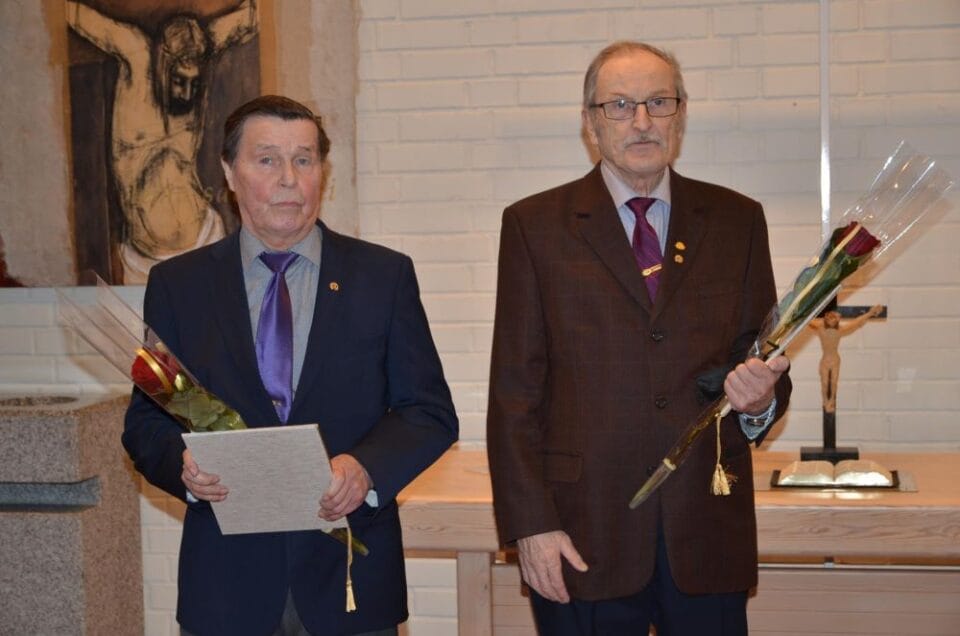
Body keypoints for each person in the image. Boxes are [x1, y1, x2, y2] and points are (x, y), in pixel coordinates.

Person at [486, 41, 792, 635]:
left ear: (681, 114)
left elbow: (760, 360)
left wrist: (759, 401)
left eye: (659, 102)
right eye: (621, 105)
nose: (643, 121)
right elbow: (514, 395)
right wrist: (530, 525)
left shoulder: (737, 220)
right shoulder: (533, 227)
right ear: (591, 122)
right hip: (581, 534)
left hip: (706, 530)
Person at [123, 95, 458, 636]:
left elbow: (428, 412)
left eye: (304, 160)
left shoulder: (384, 277)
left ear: (322, 172)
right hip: (226, 588)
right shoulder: (178, 286)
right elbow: (147, 421)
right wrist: (182, 466)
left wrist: (365, 468)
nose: (288, 178)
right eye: (267, 160)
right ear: (229, 173)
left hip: (350, 583)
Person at [66, 0, 259, 283]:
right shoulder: (135, 54)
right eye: (180, 81)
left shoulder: (205, 46)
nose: (188, 93)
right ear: (161, 63)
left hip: (207, 237)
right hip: (147, 258)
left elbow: (251, 17)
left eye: (195, 83)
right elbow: (73, 15)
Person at [809, 305, 883, 413]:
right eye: (830, 318)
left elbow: (856, 322)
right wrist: (797, 314)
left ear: (837, 320)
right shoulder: (820, 329)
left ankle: (832, 401)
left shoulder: (840, 330)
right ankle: (825, 402)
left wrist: (870, 313)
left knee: (834, 382)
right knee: (824, 383)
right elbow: (807, 321)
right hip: (825, 360)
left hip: (835, 360)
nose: (832, 321)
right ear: (826, 318)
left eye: (834, 319)